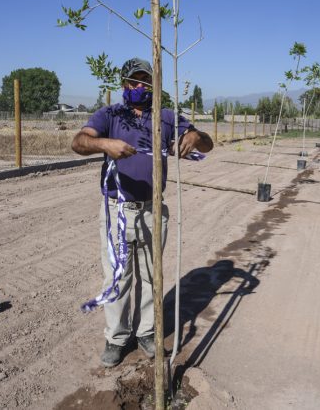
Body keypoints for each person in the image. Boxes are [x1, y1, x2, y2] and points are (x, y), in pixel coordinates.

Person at [71, 57, 213, 367]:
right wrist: (105, 144)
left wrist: (194, 136)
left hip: (152, 211)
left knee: (152, 277)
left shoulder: (165, 117)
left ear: (154, 86)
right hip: (116, 210)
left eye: (145, 83)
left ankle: (148, 332)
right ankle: (117, 338)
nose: (139, 88)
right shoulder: (110, 115)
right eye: (133, 82)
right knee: (118, 277)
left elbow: (208, 145)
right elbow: (78, 142)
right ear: (123, 84)